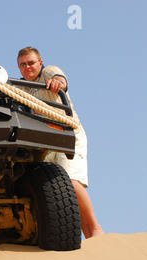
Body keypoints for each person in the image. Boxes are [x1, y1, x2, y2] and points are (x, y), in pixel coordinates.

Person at [16, 46, 104, 238]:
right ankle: (88, 239)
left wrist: (58, 82)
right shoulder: (20, 87)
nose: (27, 67)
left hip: (67, 135)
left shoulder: (48, 72)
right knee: (60, 191)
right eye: (22, 65)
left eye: (31, 63)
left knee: (71, 182)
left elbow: (60, 79)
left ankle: (97, 230)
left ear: (39, 63)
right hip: (45, 144)